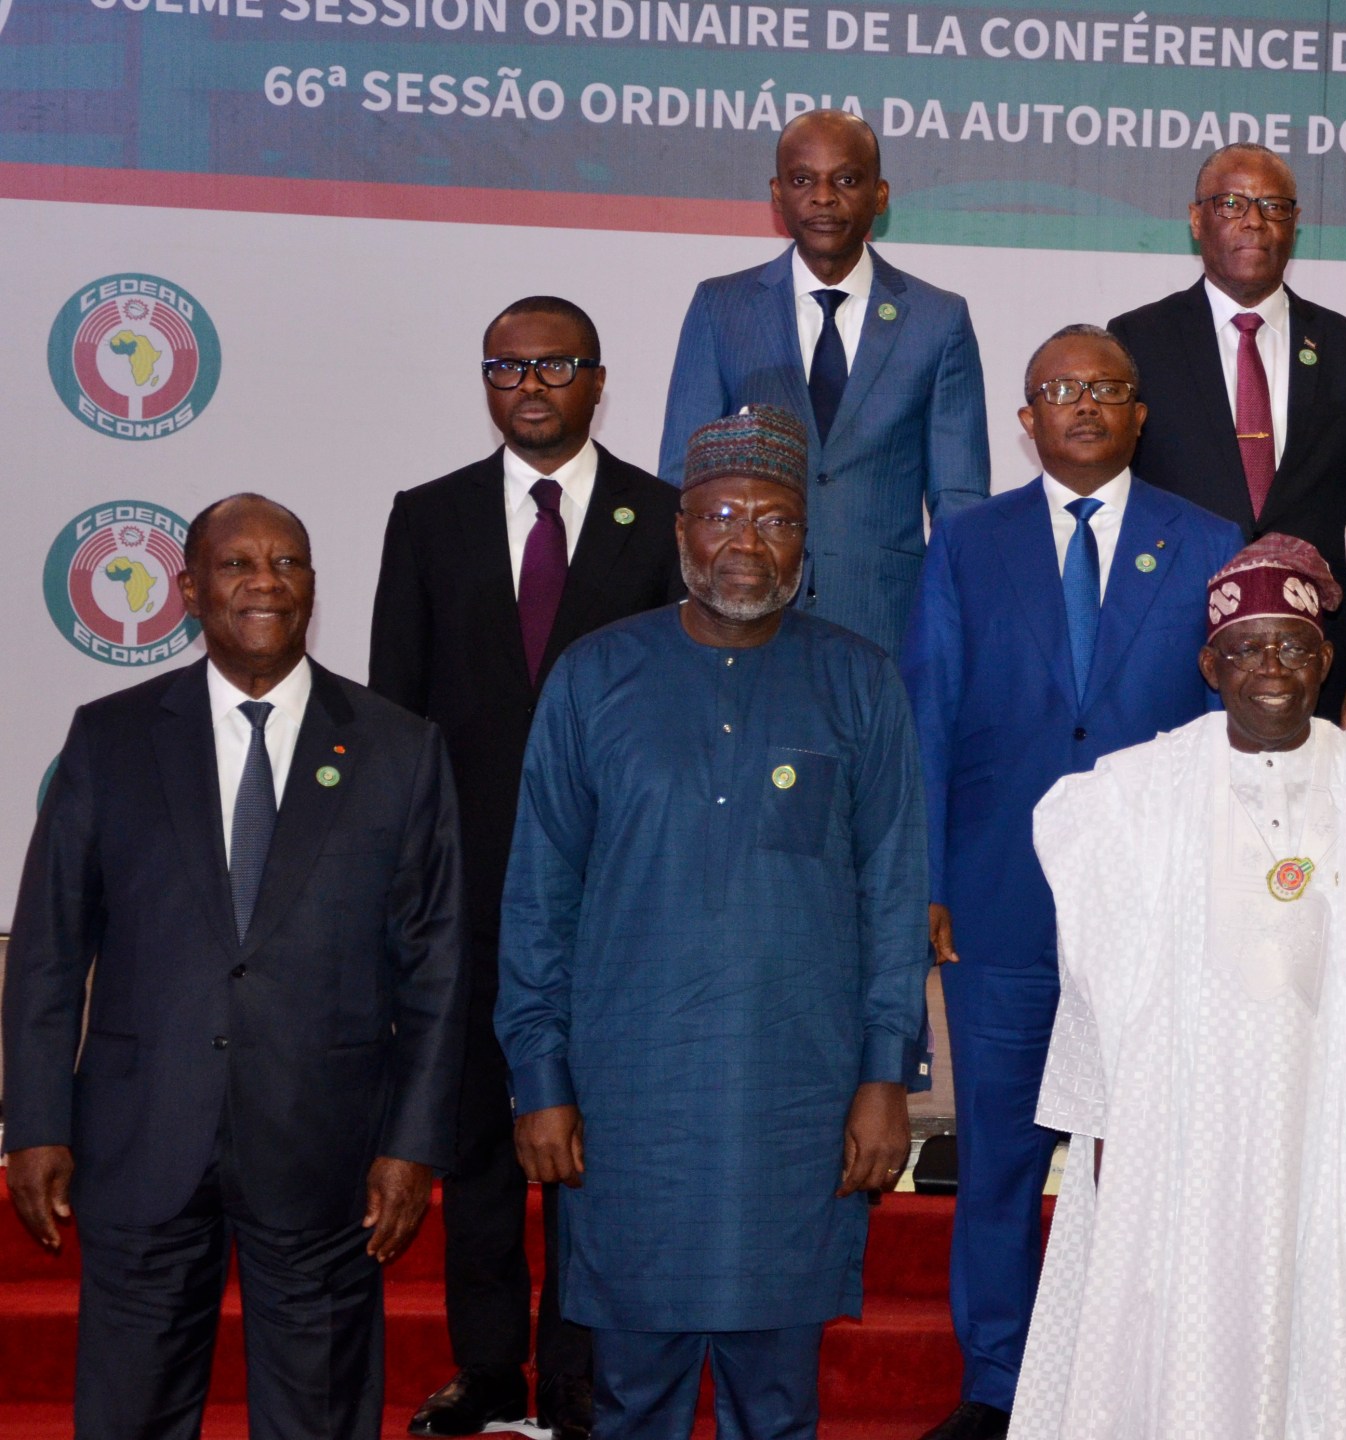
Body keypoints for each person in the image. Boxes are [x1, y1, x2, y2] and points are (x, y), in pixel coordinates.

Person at [497, 405, 928, 1439]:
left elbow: (892, 893)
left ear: (805, 542)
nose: (747, 541)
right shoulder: (594, 678)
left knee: (776, 1405)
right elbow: (537, 897)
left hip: (799, 1107)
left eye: (775, 519)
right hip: (630, 1105)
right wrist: (541, 1080)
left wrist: (883, 1081)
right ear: (680, 530)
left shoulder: (859, 682)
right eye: (723, 515)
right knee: (631, 1399)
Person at [6, 494, 468, 1440]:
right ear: (187, 590)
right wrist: (38, 1120)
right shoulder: (110, 737)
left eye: (288, 563)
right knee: (129, 1414)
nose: (266, 581)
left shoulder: (398, 748)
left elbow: (436, 966)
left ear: (312, 587)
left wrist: (413, 1142)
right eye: (237, 564)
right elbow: (50, 949)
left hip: (325, 1147)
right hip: (140, 1140)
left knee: (321, 1418)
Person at [1008, 533, 1346, 1440]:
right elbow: (1092, 985)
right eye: (1248, 648)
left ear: (1327, 661)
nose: (1273, 667)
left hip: (1332, 1141)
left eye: (1295, 647)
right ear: (1209, 664)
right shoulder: (1131, 795)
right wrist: (1105, 1151)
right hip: (1174, 1144)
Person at [898, 325, 1243, 1440]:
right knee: (998, 1158)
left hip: (1159, 913)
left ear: (1141, 413)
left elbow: (1227, 738)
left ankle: (1137, 1378)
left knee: (1147, 1168)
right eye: (1058, 390)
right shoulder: (967, 542)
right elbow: (929, 715)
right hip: (999, 899)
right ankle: (997, 1384)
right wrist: (927, 878)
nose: (1082, 407)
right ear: (1025, 418)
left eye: (1105, 390)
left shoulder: (1207, 542)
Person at [371, 294, 684, 1440]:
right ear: (487, 382)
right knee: (479, 1152)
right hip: (464, 899)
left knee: (591, 1153)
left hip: (617, 902)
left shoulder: (663, 520)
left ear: (599, 380)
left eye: (557, 364)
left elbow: (676, 716)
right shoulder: (429, 517)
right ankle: (491, 1371)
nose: (533, 383)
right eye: (509, 366)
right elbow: (397, 724)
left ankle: (578, 1377)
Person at [660, 108, 990, 654]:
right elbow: (683, 476)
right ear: (776, 193)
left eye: (846, 179)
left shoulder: (939, 319)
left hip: (887, 618)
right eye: (802, 180)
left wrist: (950, 625)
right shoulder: (722, 307)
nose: (823, 197)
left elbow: (959, 499)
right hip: (743, 610)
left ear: (880, 195)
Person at [1108, 143, 1346, 731]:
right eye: (1232, 203)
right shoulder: (1138, 341)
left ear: (1296, 224)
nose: (1254, 220)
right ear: (1197, 220)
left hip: (1312, 660)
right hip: (1174, 649)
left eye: (1273, 205)